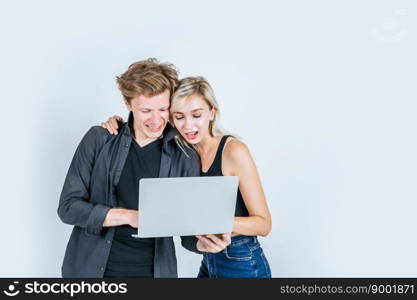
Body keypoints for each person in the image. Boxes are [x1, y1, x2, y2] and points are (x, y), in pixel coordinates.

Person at [58, 59, 231, 278]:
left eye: (163, 109)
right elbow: (68, 207)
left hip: (154, 273)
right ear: (127, 103)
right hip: (91, 272)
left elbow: (186, 230)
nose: (156, 119)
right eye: (146, 110)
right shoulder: (99, 139)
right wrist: (129, 216)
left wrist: (203, 244)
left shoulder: (185, 154)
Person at [102, 76, 272, 278]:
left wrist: (212, 221)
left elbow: (263, 224)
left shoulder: (233, 150)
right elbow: (148, 120)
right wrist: (119, 124)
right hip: (209, 258)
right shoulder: (182, 152)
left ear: (212, 112)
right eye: (179, 116)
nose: (188, 126)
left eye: (197, 115)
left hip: (241, 258)